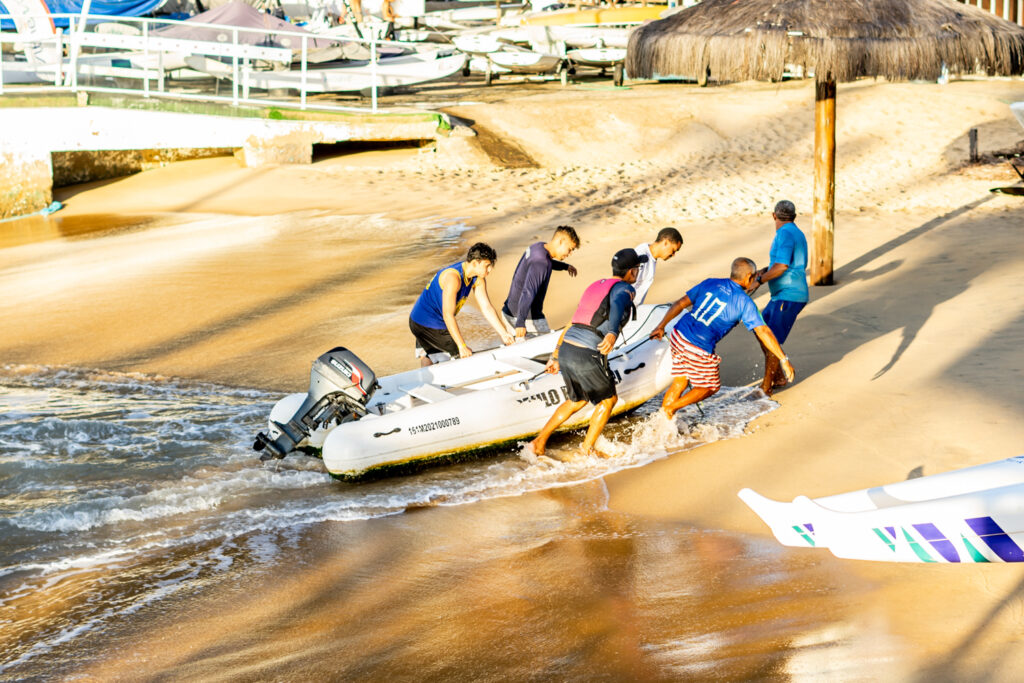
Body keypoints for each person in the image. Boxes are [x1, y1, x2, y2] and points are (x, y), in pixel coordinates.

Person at [529, 248, 647, 458]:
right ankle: (586, 449)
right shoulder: (625, 288)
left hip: (567, 347)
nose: (637, 272)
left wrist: (555, 356)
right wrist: (612, 333)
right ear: (631, 271)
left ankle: (538, 442)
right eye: (637, 268)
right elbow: (618, 303)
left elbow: (572, 322)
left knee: (577, 400)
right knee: (608, 400)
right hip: (587, 352)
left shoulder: (595, 286)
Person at [650, 257, 795, 419]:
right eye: (754, 276)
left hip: (679, 335)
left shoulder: (711, 282)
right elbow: (763, 331)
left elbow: (680, 303)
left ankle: (663, 421)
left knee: (680, 381)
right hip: (697, 346)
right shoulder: (744, 303)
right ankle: (670, 408)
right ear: (749, 277)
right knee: (710, 386)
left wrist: (661, 326)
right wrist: (784, 359)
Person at [409, 243, 514, 366]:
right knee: (461, 359)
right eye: (487, 265)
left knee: (430, 354)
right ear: (475, 263)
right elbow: (448, 315)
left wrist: (503, 333)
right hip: (429, 323)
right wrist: (461, 346)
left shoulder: (478, 278)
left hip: (417, 319)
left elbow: (486, 307)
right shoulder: (453, 278)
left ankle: (424, 375)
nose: (490, 269)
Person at [748, 200, 809, 396]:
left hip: (789, 295)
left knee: (771, 337)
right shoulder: (795, 232)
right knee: (761, 330)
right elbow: (780, 264)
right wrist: (764, 271)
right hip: (782, 295)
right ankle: (778, 376)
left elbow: (782, 267)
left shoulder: (785, 234)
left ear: (773, 215)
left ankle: (766, 388)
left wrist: (759, 280)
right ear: (794, 217)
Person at [502, 226, 580, 340]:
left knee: (519, 347)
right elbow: (528, 292)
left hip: (510, 310)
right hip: (525, 316)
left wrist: (564, 266)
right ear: (561, 241)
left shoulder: (538, 247)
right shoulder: (541, 262)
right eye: (570, 249)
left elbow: (547, 262)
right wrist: (520, 322)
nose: (570, 253)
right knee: (549, 345)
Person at [632, 227, 684, 304]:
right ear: (665, 242)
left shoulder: (651, 256)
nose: (673, 255)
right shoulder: (641, 256)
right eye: (673, 250)